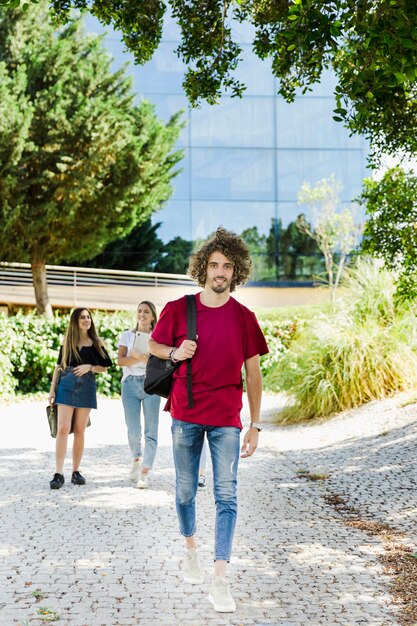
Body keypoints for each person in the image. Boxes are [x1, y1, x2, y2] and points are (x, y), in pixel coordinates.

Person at [149, 226, 269, 613]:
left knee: (227, 495)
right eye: (214, 265)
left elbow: (253, 374)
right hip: (185, 413)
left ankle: (220, 579)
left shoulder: (244, 317)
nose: (220, 272)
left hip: (227, 421)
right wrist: (173, 352)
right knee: (185, 492)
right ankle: (190, 549)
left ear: (236, 272)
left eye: (227, 266)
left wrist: (255, 424)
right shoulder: (178, 309)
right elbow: (152, 344)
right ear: (203, 268)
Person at [48, 308, 112, 490]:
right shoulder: (67, 341)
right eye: (82, 317)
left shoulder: (97, 342)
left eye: (88, 317)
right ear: (75, 321)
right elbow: (59, 367)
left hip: (87, 386)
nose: (86, 320)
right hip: (66, 385)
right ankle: (58, 473)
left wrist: (89, 367)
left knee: (79, 430)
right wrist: (52, 390)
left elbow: (105, 367)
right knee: (62, 428)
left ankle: (76, 472)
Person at [117, 301, 160, 489]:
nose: (142, 315)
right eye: (140, 311)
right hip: (130, 386)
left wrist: (140, 357)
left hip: (151, 384)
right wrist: (137, 356)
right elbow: (120, 361)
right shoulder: (126, 336)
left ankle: (145, 472)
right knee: (133, 430)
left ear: (152, 316)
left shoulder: (158, 338)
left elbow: (159, 364)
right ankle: (136, 460)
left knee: (151, 431)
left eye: (146, 312)